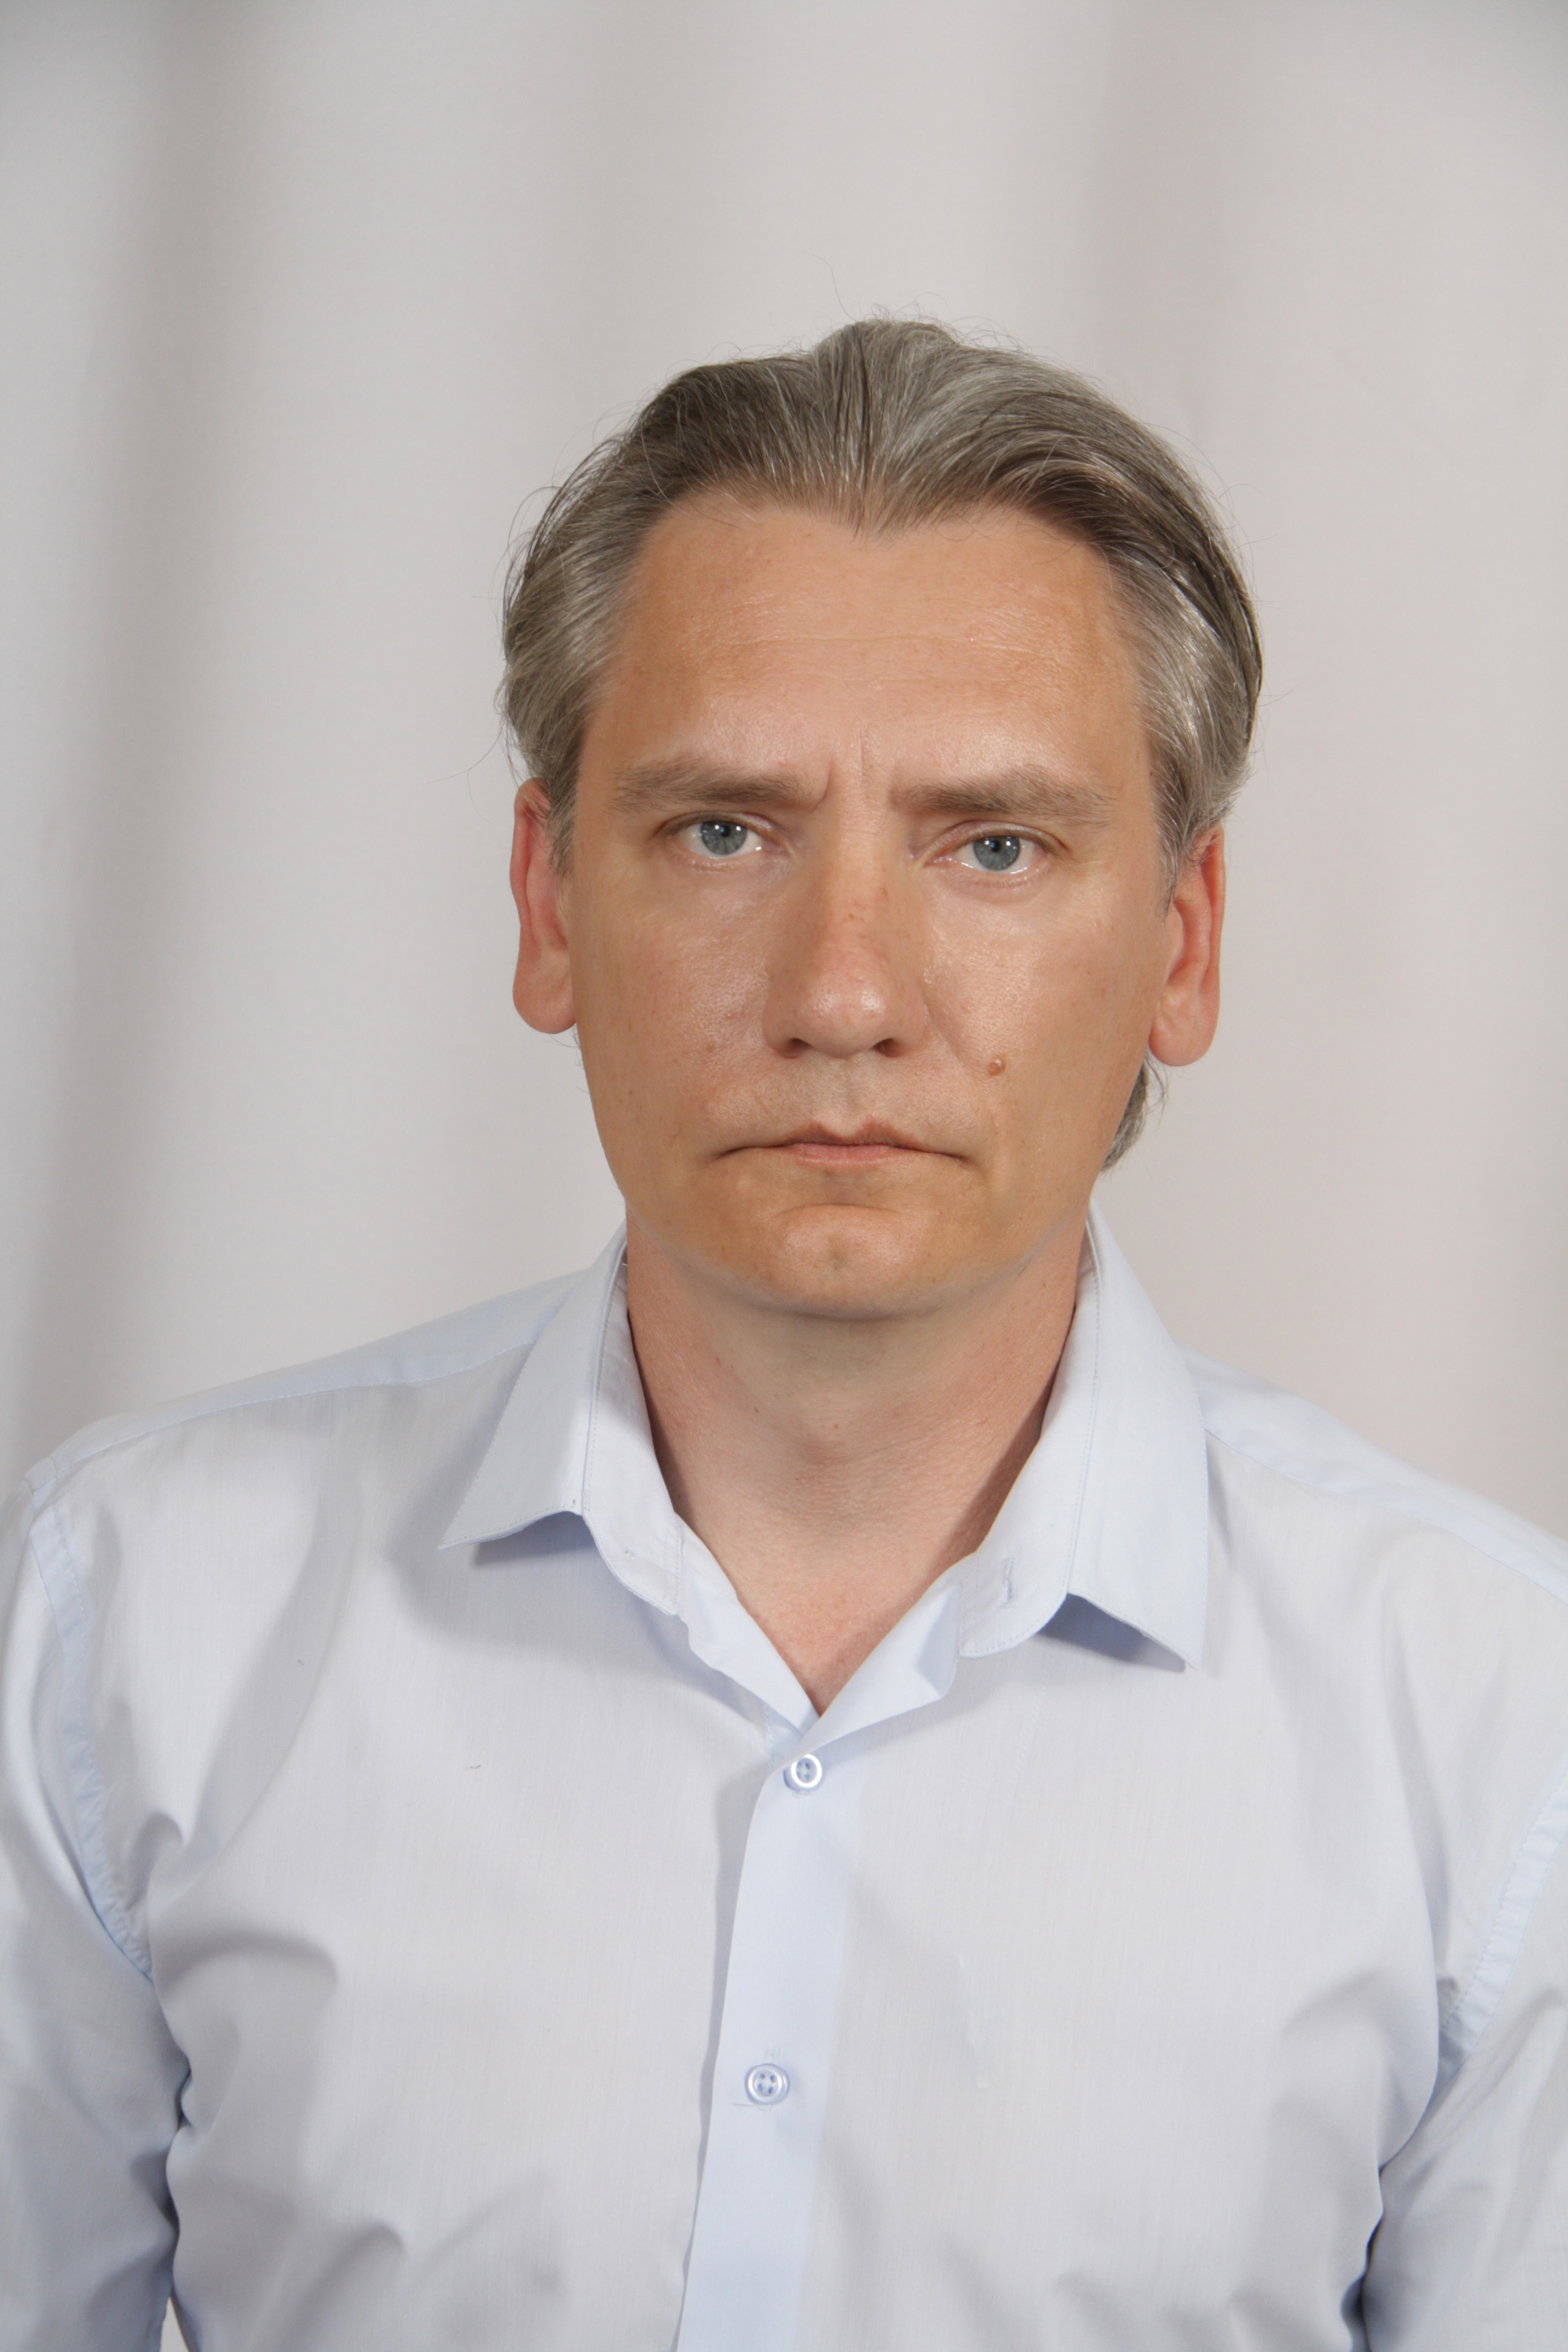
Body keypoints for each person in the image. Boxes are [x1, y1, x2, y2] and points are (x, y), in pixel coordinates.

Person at [2, 320, 1564, 2352]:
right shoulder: (132, 1613)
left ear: (1181, 945)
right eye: (725, 830)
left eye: (992, 846)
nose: (845, 995)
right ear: (549, 901)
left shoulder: (1497, 1721)